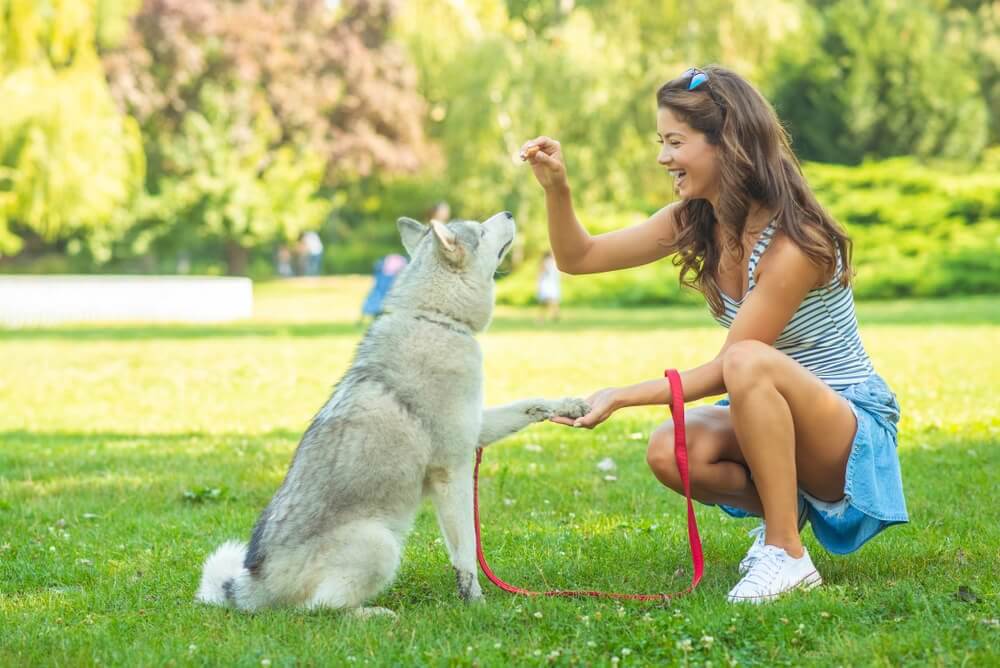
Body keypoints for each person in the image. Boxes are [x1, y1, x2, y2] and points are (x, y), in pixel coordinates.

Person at [520, 66, 906, 604]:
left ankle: (787, 554)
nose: (663, 158)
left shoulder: (794, 242)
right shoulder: (696, 219)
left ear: (728, 143)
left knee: (747, 360)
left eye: (675, 142)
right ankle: (781, 522)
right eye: (662, 142)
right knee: (669, 449)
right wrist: (556, 188)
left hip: (846, 427)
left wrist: (620, 395)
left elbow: (731, 364)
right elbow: (578, 258)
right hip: (765, 408)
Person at [359, 253, 408, 325]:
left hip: (383, 287)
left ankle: (369, 316)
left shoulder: (384, 271)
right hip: (384, 288)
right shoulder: (398, 263)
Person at [536, 250, 561, 322]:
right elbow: (541, 273)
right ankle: (550, 315)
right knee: (545, 302)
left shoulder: (556, 262)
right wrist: (538, 283)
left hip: (553, 283)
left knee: (553, 300)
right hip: (546, 284)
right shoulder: (547, 262)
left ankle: (554, 315)